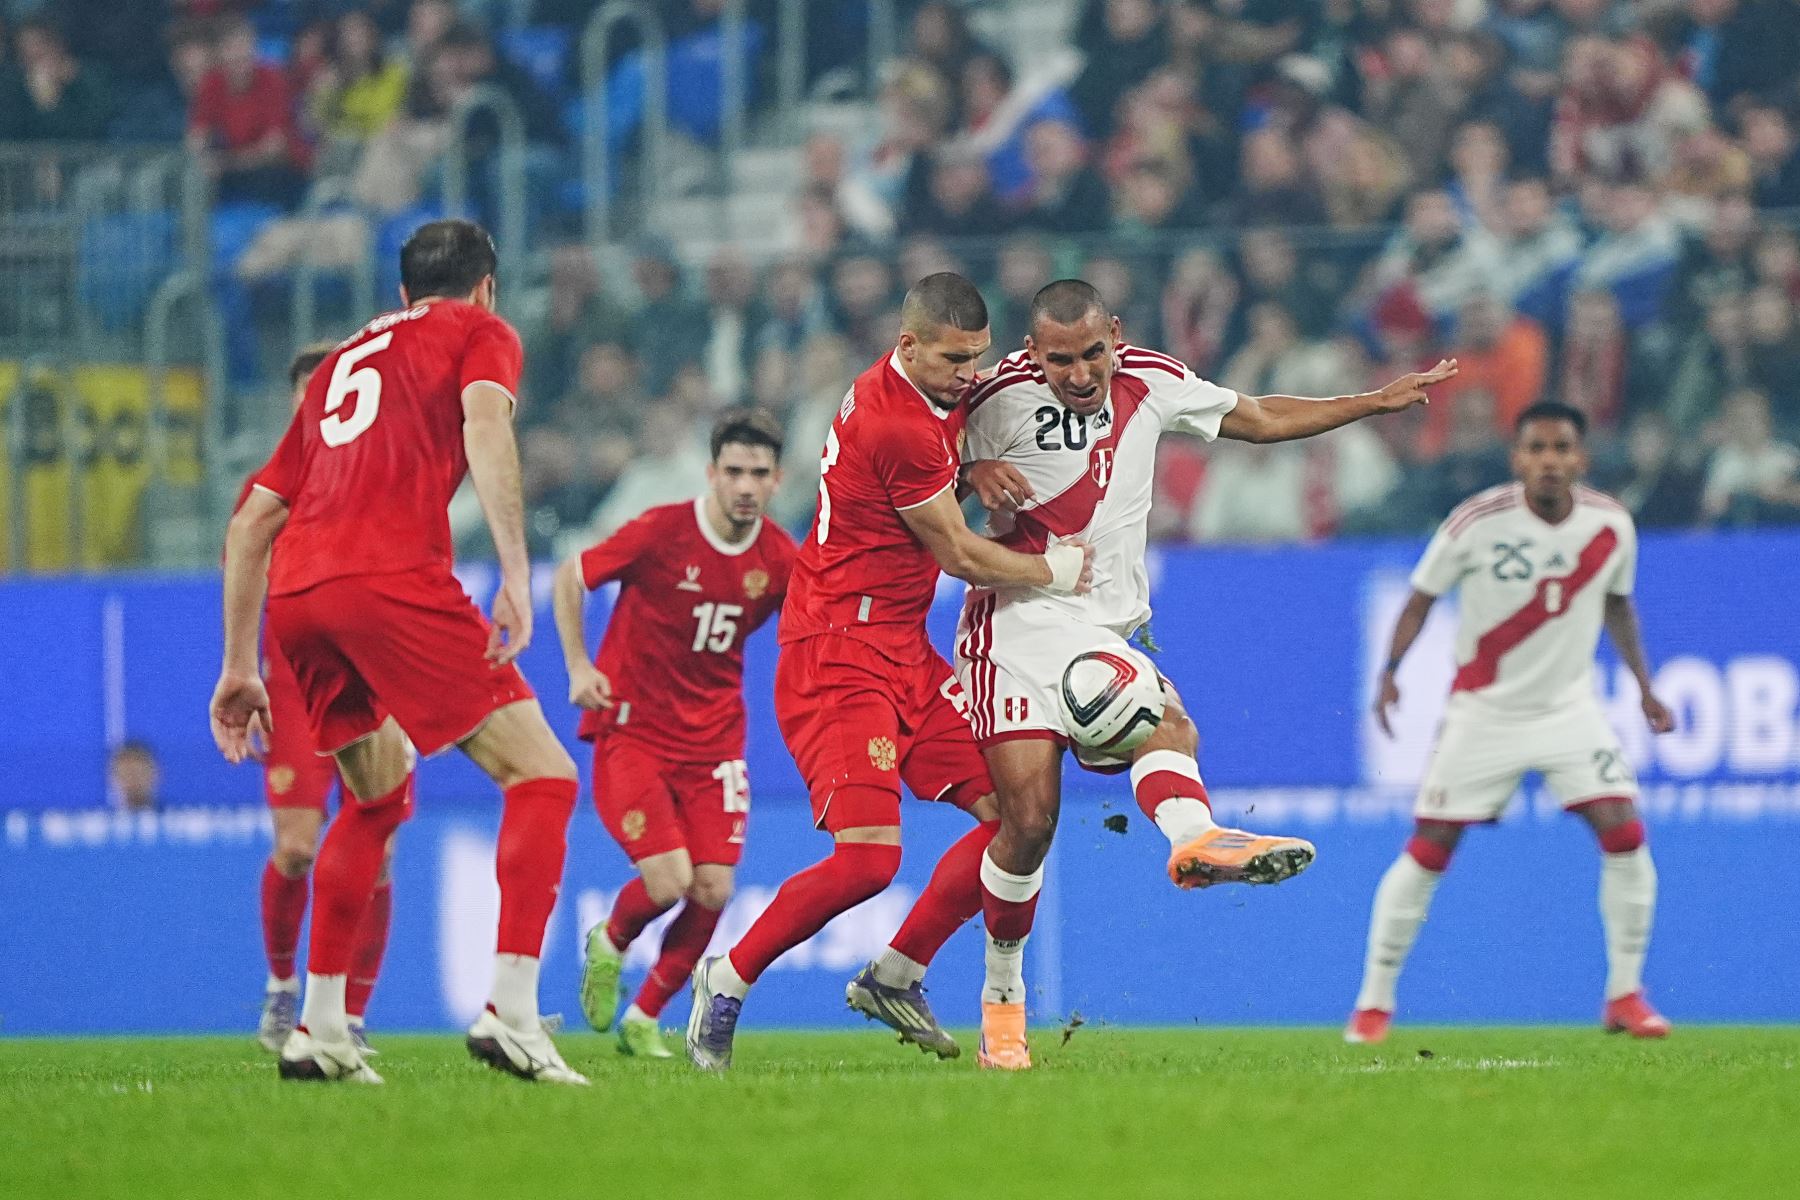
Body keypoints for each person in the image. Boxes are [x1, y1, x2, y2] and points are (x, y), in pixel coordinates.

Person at [944, 279, 1457, 1068]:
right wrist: (969, 475)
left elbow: (1258, 417)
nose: (1081, 375)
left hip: (1100, 624)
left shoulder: (1151, 378)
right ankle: (1005, 1012)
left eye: (1092, 354)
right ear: (1031, 352)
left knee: (1166, 726)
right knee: (1030, 823)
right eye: (1060, 361)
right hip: (1011, 621)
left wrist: (1371, 402)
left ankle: (1194, 839)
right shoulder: (990, 396)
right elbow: (911, 464)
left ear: (1114, 335)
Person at [208, 219, 585, 1086]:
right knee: (545, 777)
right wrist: (517, 572)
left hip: (301, 597)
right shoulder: (481, 332)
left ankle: (322, 1030)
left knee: (374, 800)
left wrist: (240, 666)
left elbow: (254, 519)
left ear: (405, 291)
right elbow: (488, 429)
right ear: (485, 286)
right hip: (390, 579)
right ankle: (513, 1014)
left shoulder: (342, 359)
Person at [685, 273, 1093, 1072]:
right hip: (838, 653)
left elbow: (942, 454)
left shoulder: (916, 392)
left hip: (904, 646)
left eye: (976, 358)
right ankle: (725, 977)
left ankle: (897, 973)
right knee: (870, 860)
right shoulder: (896, 421)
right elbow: (957, 552)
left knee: (1019, 819)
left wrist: (970, 470)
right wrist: (1059, 572)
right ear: (909, 347)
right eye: (954, 361)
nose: (969, 376)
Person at [1348, 401, 1676, 1045]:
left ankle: (1626, 994)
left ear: (1581, 458)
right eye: (1537, 449)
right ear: (1517, 458)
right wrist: (1389, 671)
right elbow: (1420, 599)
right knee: (1430, 846)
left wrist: (1643, 687)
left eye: (1561, 449)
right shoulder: (1476, 521)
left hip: (1568, 708)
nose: (1549, 461)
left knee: (1625, 830)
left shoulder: (1611, 525)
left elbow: (1618, 607)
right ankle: (1373, 1004)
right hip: (1484, 711)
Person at [552, 409, 797, 1058]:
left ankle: (644, 1016)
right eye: (734, 472)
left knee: (714, 888)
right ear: (711, 474)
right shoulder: (662, 532)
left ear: (778, 481)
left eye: (759, 474)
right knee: (667, 881)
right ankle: (609, 942)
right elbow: (571, 575)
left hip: (715, 744)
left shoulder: (778, 558)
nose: (745, 485)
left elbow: (814, 627)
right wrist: (579, 665)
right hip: (633, 732)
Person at [251, 345, 396, 1058]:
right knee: (299, 849)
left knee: (384, 846)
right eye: (309, 394)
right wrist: (239, 673)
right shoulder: (271, 490)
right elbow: (249, 582)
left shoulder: (381, 479)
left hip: (374, 686)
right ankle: (283, 987)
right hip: (295, 697)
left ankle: (353, 1013)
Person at [109, 740, 160, 813]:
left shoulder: (176, 820)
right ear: (112, 778)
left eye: (137, 773)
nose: (132, 781)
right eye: (125, 774)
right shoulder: (96, 822)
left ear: (154, 775)